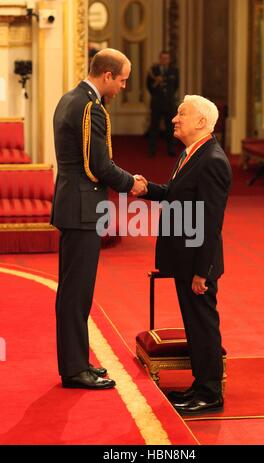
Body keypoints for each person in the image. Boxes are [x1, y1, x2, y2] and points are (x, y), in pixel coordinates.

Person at [51, 48, 147, 390]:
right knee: (76, 293)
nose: (122, 87)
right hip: (82, 210)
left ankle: (76, 362)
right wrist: (132, 183)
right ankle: (75, 369)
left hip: (72, 205)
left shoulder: (69, 98)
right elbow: (99, 166)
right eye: (121, 80)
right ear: (106, 75)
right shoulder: (90, 107)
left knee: (73, 292)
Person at [140, 95, 232, 414]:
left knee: (203, 325)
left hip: (198, 264)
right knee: (193, 324)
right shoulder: (192, 154)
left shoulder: (212, 161)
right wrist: (146, 189)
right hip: (185, 259)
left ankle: (210, 393)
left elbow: (210, 223)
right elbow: (174, 194)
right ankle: (199, 385)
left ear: (202, 122)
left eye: (182, 114)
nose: (174, 119)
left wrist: (201, 272)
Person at [146, 50, 179, 157]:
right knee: (154, 127)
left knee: (171, 128)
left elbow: (175, 86)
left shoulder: (174, 71)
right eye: (162, 58)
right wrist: (156, 93)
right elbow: (149, 86)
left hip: (170, 104)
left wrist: (168, 96)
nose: (164, 60)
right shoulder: (153, 70)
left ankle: (171, 149)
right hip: (157, 103)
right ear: (159, 59)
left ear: (169, 60)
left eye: (166, 58)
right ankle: (152, 150)